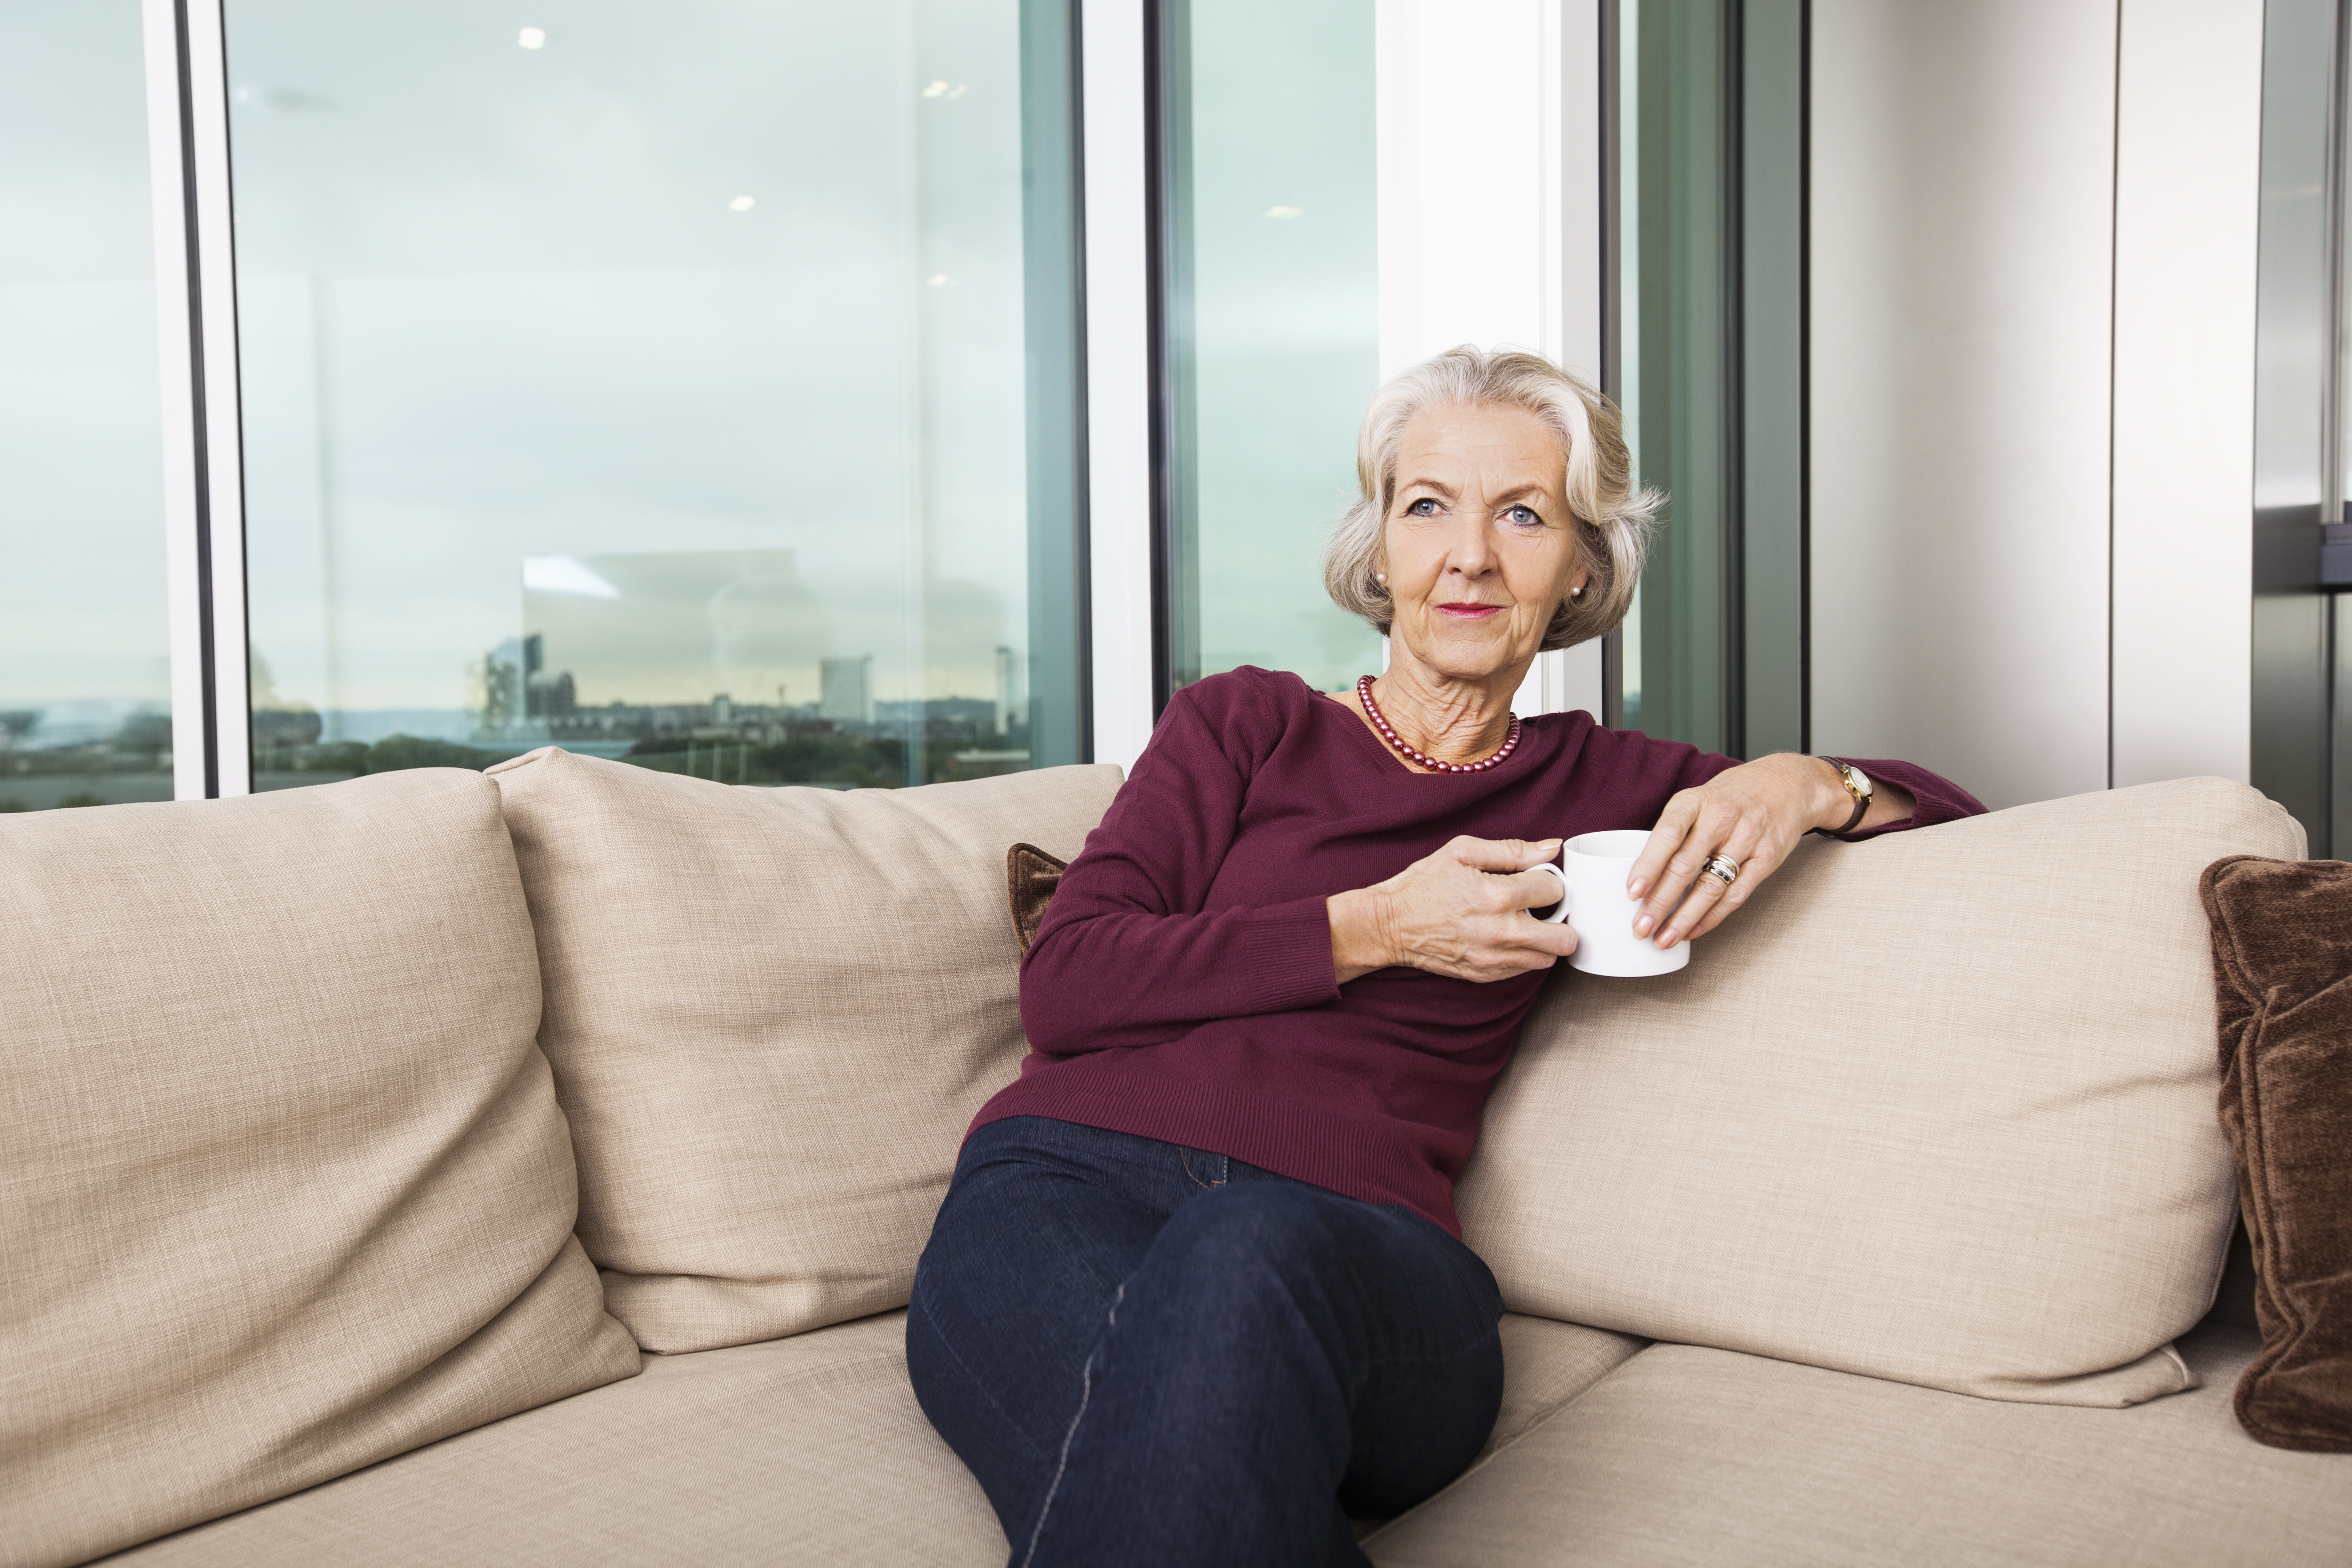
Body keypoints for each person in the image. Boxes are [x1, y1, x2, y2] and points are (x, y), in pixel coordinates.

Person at [906, 345, 1984, 1567]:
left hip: (1362, 1256)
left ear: (1585, 562)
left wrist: (1811, 783)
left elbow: (1966, 832)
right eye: (1429, 507)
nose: (1470, 555)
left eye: (1522, 515)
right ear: (1379, 547)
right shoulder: (1243, 726)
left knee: (1238, 1254)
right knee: (1170, 1482)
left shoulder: (1600, 783)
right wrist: (1376, 927)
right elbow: (1069, 981)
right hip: (1058, 1193)